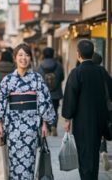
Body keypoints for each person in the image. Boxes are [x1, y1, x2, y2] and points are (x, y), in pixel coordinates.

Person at [0, 43, 55, 179]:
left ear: (30, 58)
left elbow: (44, 101)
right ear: (14, 58)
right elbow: (0, 101)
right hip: (13, 126)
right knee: (13, 162)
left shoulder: (37, 78)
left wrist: (44, 124)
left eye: (26, 55)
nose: (23, 58)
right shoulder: (8, 80)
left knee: (29, 161)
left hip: (31, 126)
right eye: (20, 55)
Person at [62, 39, 112, 180]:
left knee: (84, 154)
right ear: (92, 53)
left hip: (82, 122)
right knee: (94, 153)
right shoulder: (101, 71)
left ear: (78, 54)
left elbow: (70, 98)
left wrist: (67, 119)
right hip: (99, 120)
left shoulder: (76, 73)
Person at [37, 47, 64, 136]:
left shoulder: (40, 65)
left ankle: (47, 127)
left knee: (45, 110)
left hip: (44, 93)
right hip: (56, 93)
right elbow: (62, 77)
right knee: (55, 110)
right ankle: (54, 126)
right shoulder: (58, 65)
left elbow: (38, 79)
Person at [91, 52, 111, 171]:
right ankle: (103, 150)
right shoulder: (103, 72)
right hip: (105, 107)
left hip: (91, 108)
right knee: (103, 130)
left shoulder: (86, 71)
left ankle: (95, 152)